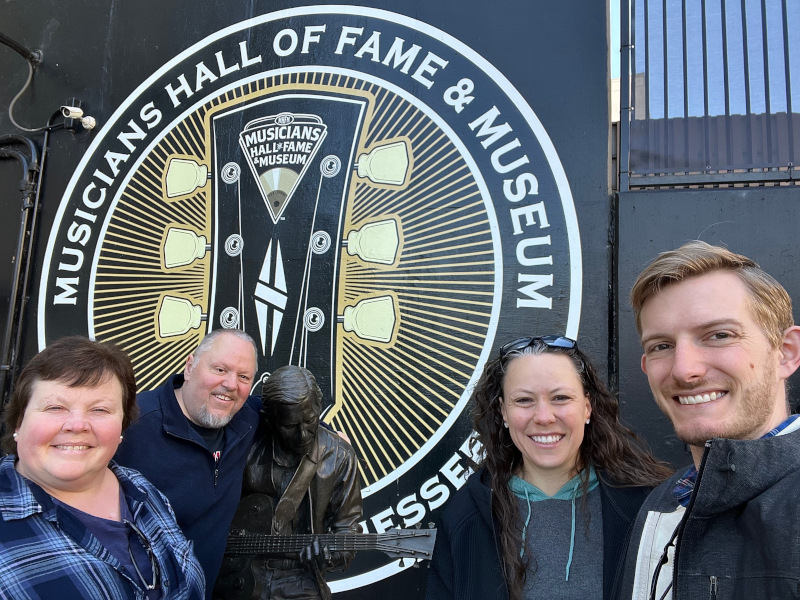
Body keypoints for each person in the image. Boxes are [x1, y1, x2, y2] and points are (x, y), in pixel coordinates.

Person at [426, 335, 672, 600]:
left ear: (587, 407)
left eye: (561, 397)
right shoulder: (465, 516)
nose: (544, 417)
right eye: (523, 400)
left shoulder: (649, 509)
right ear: (504, 412)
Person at [619, 241, 800, 599]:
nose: (684, 370)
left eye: (719, 335)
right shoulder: (662, 502)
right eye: (661, 346)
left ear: (786, 353)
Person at [0, 336, 205, 599]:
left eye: (99, 410)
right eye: (55, 407)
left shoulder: (141, 490)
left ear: (122, 427)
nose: (77, 424)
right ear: (19, 422)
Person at [115, 329, 261, 598]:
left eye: (244, 377)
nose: (230, 384)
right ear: (190, 367)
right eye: (219, 369)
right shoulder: (131, 422)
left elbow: (291, 411)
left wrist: (333, 436)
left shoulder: (247, 418)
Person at [214, 365, 362, 600]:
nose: (303, 435)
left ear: (319, 409)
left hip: (300, 579)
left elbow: (348, 528)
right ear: (269, 420)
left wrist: (331, 553)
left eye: (310, 421)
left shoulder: (339, 456)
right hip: (239, 579)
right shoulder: (245, 448)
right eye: (290, 426)